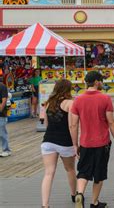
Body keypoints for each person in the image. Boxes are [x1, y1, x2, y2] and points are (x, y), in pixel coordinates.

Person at [70, 71, 114, 208]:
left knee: (83, 171)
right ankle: (94, 202)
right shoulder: (105, 98)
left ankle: (79, 194)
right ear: (97, 82)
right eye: (101, 81)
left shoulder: (78, 100)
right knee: (99, 173)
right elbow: (111, 122)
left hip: (85, 142)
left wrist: (75, 145)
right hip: (102, 142)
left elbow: (73, 124)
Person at [41, 79, 77, 208]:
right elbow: (72, 125)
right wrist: (75, 144)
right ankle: (74, 195)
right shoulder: (70, 103)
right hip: (65, 142)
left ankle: (45, 204)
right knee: (70, 169)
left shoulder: (48, 103)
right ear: (68, 89)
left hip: (48, 141)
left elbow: (46, 124)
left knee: (48, 173)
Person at [0, 82, 11, 157]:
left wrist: (0, 110)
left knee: (2, 132)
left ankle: (6, 150)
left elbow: (4, 100)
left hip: (1, 114)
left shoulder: (2, 86)